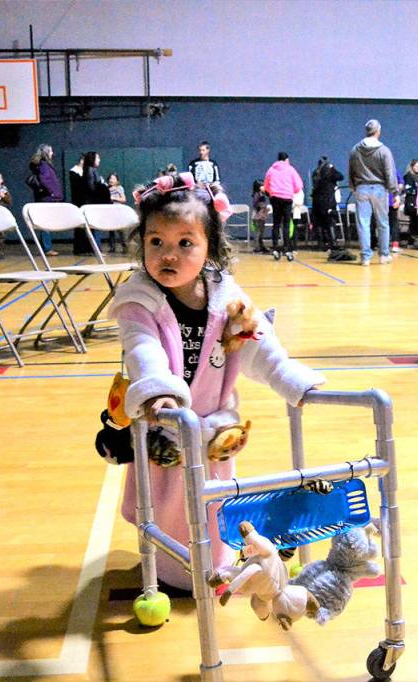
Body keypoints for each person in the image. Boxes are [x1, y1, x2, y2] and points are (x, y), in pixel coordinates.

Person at [109, 171, 324, 590]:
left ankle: (215, 566)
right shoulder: (139, 301)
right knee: (169, 506)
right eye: (156, 242)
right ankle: (172, 574)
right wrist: (159, 393)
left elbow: (261, 348)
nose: (168, 254)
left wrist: (292, 380)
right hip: (166, 426)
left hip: (212, 431)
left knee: (215, 502)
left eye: (185, 243)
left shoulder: (227, 297)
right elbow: (142, 350)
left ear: (210, 248)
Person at [348, 119, 398, 265]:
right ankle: (383, 255)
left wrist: (353, 187)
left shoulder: (355, 149)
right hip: (379, 189)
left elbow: (351, 170)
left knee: (363, 223)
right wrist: (394, 193)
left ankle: (365, 257)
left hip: (361, 188)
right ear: (378, 131)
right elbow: (390, 173)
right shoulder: (384, 150)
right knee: (383, 222)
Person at [263, 152, 304, 260]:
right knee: (286, 224)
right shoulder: (291, 169)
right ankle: (287, 249)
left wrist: (271, 192)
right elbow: (299, 186)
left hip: (275, 198)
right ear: (286, 159)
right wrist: (291, 191)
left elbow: (266, 186)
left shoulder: (271, 170)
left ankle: (275, 248)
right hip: (287, 198)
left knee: (276, 223)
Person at [26, 144, 63, 256]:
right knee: (45, 224)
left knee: (45, 223)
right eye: (51, 151)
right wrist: (52, 192)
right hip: (47, 198)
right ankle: (47, 248)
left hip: (46, 197)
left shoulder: (42, 164)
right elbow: (45, 180)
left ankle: (47, 247)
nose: (52, 153)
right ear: (46, 152)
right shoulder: (44, 165)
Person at [311, 157, 345, 255]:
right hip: (328, 200)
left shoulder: (315, 173)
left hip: (317, 201)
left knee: (320, 223)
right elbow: (341, 176)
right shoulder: (330, 172)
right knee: (331, 222)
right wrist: (333, 168)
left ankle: (321, 244)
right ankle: (333, 243)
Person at [402, 159, 418, 248]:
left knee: (415, 222)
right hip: (412, 202)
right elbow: (409, 190)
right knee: (415, 221)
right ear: (412, 167)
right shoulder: (408, 176)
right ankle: (414, 242)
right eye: (416, 166)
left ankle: (412, 241)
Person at [251, 179, 270, 253]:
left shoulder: (262, 194)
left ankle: (261, 246)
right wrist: (261, 208)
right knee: (258, 232)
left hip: (262, 215)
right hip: (258, 215)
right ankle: (257, 247)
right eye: (262, 185)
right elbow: (255, 204)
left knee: (261, 231)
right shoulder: (257, 194)